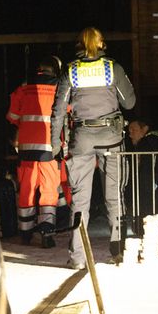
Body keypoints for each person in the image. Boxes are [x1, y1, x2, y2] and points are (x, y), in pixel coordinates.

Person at [50, 27, 136, 268]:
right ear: (101, 44)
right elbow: (130, 102)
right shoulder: (112, 68)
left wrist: (55, 144)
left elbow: (57, 112)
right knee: (114, 197)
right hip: (111, 139)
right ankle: (118, 252)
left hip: (81, 139)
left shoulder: (70, 71)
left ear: (79, 44)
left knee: (80, 201)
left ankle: (77, 258)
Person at [6, 56, 64, 248]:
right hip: (50, 148)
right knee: (48, 190)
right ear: (55, 70)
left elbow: (13, 116)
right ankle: (47, 233)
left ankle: (26, 233)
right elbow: (68, 114)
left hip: (26, 148)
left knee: (26, 189)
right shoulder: (59, 87)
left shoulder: (23, 87)